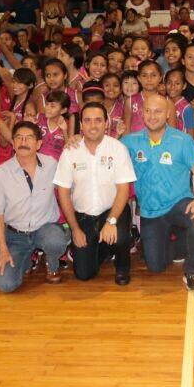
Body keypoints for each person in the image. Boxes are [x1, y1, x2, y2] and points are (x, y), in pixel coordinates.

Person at [121, 93, 194, 290]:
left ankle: (192, 270)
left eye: (158, 111)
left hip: (179, 204)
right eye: (148, 111)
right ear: (142, 113)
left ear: (169, 113)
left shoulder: (183, 140)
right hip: (150, 212)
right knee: (156, 267)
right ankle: (176, 241)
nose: (152, 116)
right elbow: (105, 150)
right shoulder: (129, 142)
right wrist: (75, 138)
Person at [54, 101, 135, 285]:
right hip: (84, 217)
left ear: (106, 124)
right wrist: (75, 229)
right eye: (88, 120)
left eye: (98, 120)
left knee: (120, 236)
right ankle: (103, 246)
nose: (93, 125)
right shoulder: (70, 152)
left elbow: (124, 189)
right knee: (84, 274)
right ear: (81, 124)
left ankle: (122, 267)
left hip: (113, 211)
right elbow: (63, 193)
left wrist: (111, 221)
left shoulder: (117, 148)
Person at [0, 121, 68, 293]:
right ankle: (26, 259)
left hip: (45, 229)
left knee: (56, 240)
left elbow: (69, 184)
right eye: (19, 138)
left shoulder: (52, 165)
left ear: (38, 144)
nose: (23, 142)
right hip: (15, 236)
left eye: (29, 138)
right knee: (5, 285)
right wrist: (2, 250)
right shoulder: (1, 173)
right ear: (13, 143)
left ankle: (52, 264)